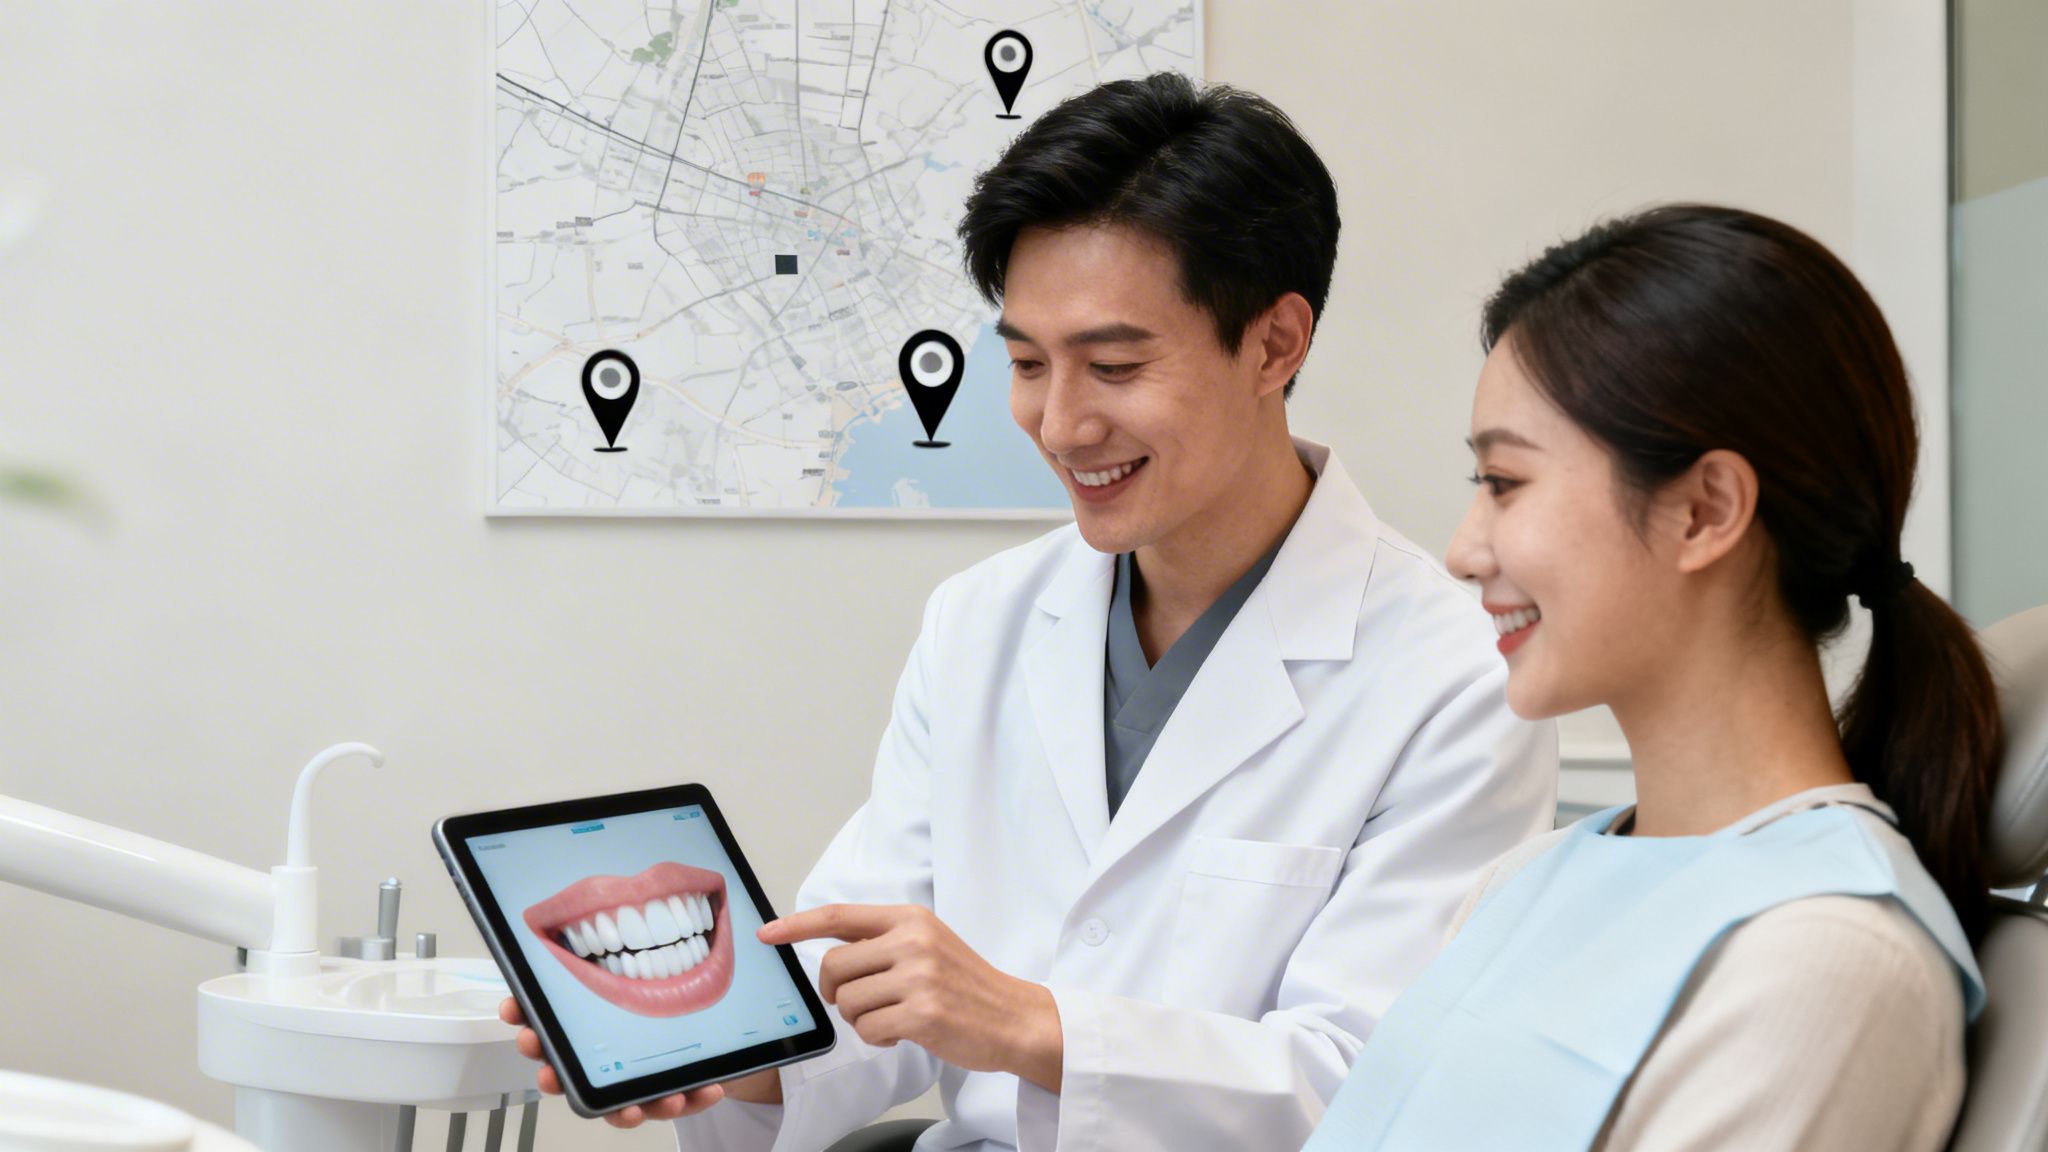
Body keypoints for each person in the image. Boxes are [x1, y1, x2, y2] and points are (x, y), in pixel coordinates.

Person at [506, 72, 1557, 1151]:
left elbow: (1371, 1086)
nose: (1059, 425)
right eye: (1024, 363)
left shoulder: (1457, 678)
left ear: (1274, 344)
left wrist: (1030, 1026)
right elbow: (870, 981)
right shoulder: (981, 621)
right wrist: (728, 1052)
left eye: (1114, 365)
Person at [1305, 204, 2004, 1151]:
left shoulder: (1828, 956)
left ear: (1704, 511)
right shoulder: (1531, 877)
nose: (1464, 552)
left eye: (1504, 483)